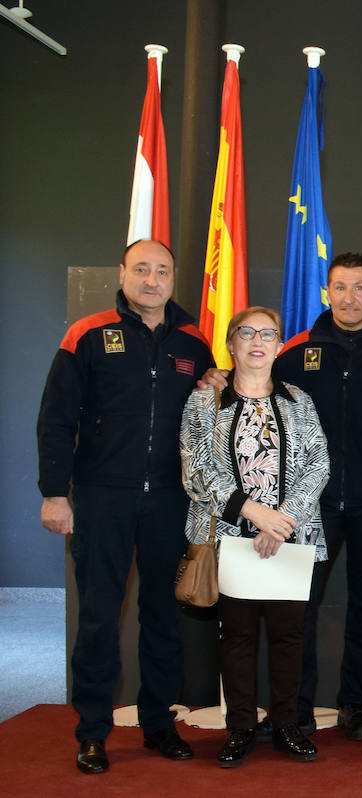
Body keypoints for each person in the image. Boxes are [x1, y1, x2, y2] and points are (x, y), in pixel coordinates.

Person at [37, 239, 213, 774]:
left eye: (162, 271)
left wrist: (215, 385)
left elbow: (204, 415)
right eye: (142, 269)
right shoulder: (87, 334)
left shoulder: (193, 341)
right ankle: (92, 730)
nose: (152, 280)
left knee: (163, 617)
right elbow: (56, 418)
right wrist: (53, 493)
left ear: (172, 279)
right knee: (97, 617)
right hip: (100, 497)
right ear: (123, 273)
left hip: (167, 500)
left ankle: (160, 723)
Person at [180, 305, 330, 768]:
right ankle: (241, 727)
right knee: (237, 638)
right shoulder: (204, 401)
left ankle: (287, 724)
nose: (258, 342)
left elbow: (318, 463)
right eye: (247, 333)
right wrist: (253, 515)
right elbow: (196, 469)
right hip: (229, 538)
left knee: (289, 638)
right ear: (231, 342)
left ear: (280, 345)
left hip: (291, 538)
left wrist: (281, 520)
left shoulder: (298, 399)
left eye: (268, 334)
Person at [276, 252, 362, 739]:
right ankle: (297, 708)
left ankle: (356, 704)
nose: (349, 297)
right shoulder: (295, 351)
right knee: (298, 609)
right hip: (309, 506)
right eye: (340, 287)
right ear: (327, 293)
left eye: (359, 287)